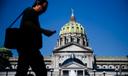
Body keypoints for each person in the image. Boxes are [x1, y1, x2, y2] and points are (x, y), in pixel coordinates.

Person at [15, 0, 56, 76]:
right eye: (43, 7)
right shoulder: (30, 10)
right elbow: (27, 23)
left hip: (29, 48)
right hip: (28, 47)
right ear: (37, 3)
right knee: (41, 72)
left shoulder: (34, 15)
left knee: (22, 71)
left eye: (45, 9)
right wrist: (44, 31)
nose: (44, 10)